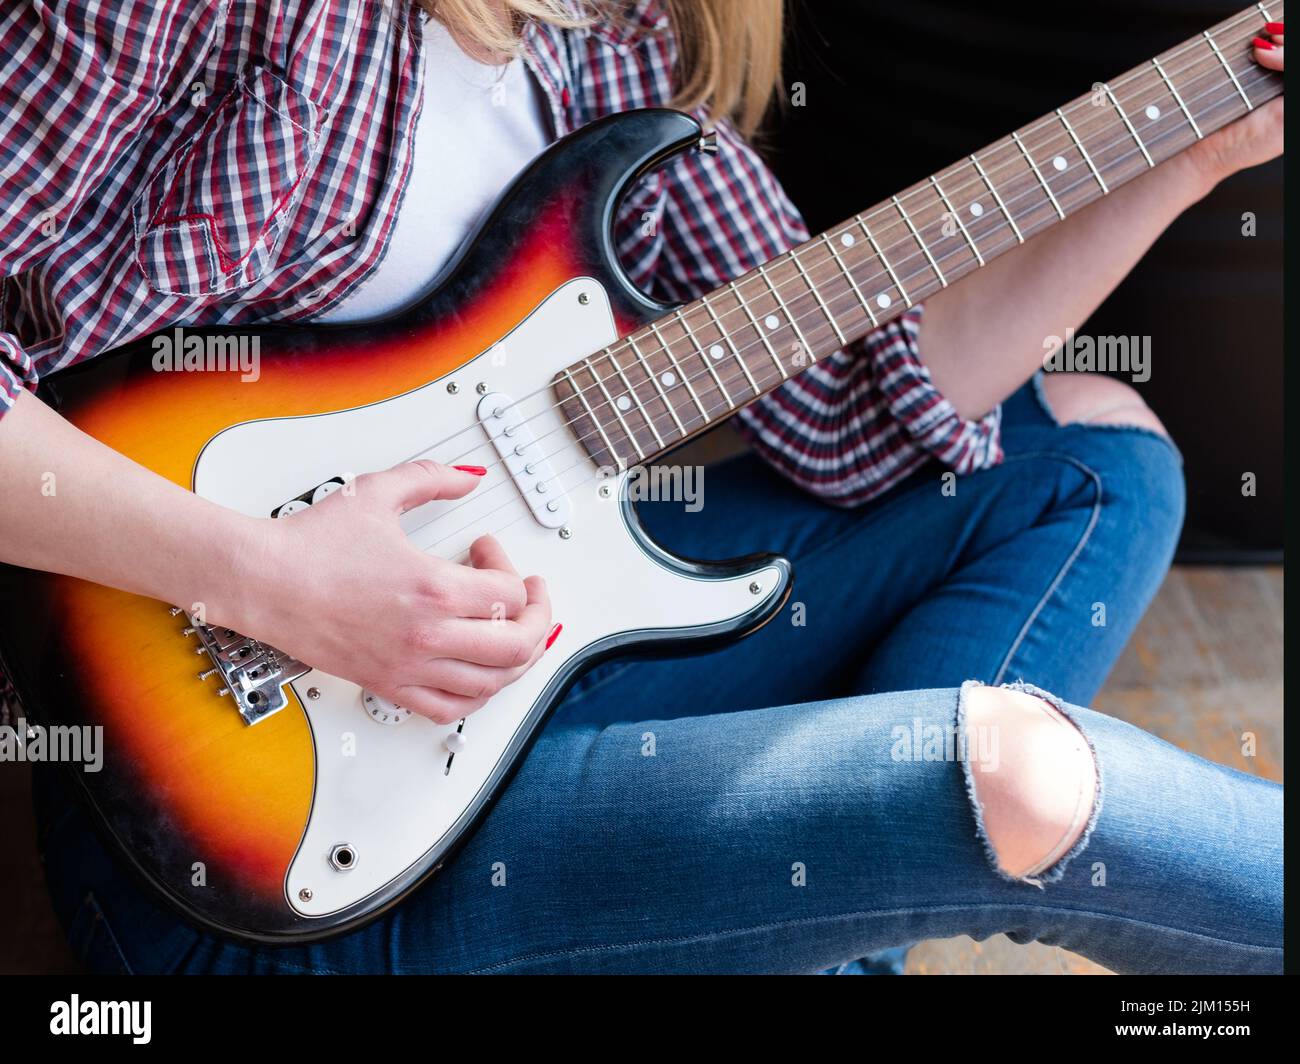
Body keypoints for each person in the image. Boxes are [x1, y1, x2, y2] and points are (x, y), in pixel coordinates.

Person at [1, 0, 1283, 974]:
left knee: (1091, 456)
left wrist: (1187, 157)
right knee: (1005, 781)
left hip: (531, 679)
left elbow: (855, 418)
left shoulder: (613, 49)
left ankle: (803, 907)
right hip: (252, 842)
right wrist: (274, 579)